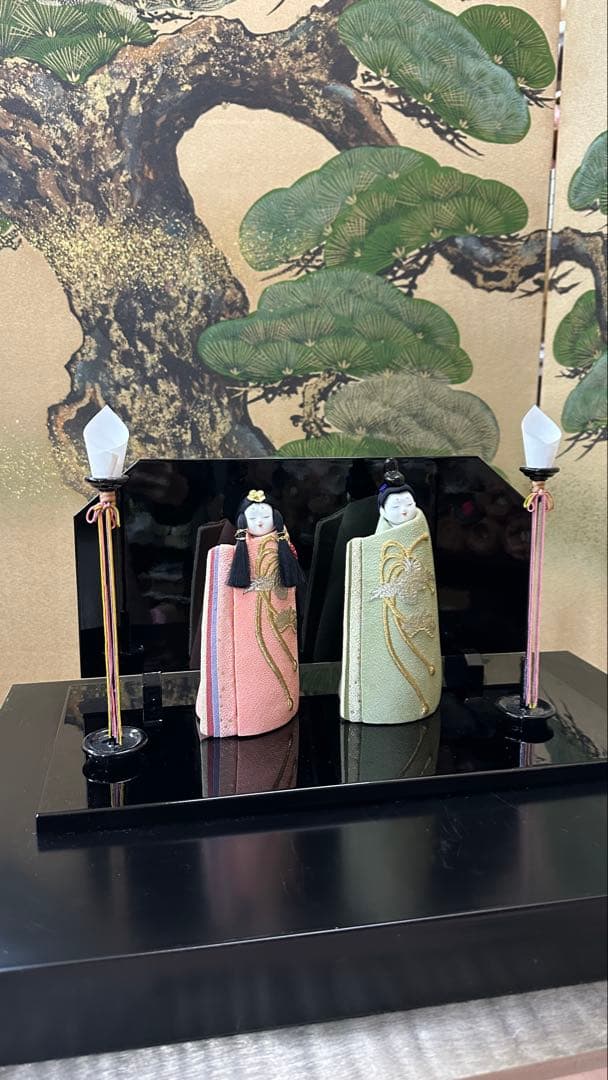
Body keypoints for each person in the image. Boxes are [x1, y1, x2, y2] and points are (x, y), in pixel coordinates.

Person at [340, 461, 442, 725]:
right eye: (395, 507)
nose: (405, 510)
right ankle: (376, 701)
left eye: (409, 503)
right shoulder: (377, 544)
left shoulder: (419, 531)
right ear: (383, 510)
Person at [196, 490, 304, 738]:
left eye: (265, 516)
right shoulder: (234, 555)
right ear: (243, 521)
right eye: (253, 517)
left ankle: (272, 708)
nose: (260, 522)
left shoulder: (283, 549)